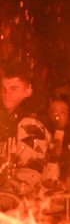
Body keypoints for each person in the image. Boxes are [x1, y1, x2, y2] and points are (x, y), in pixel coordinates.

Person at [0, 71, 52, 201]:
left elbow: (29, 177)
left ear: (28, 91)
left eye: (14, 89)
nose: (7, 94)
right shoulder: (8, 123)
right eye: (3, 89)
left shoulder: (30, 125)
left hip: (31, 206)